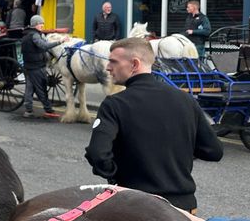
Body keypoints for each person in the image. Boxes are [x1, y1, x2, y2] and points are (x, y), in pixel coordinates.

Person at [85, 37, 223, 211]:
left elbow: (98, 154)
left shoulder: (115, 104)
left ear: (134, 64)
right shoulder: (185, 99)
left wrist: (117, 178)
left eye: (113, 62)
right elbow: (214, 151)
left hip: (138, 207)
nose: (108, 67)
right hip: (184, 208)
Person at [21, 15, 63, 119]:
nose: (42, 25)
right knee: (41, 88)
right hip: (36, 66)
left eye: (43, 23)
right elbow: (43, 46)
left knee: (29, 89)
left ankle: (28, 110)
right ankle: (48, 109)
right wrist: (59, 42)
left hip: (28, 66)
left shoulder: (27, 35)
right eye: (40, 24)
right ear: (35, 24)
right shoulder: (34, 35)